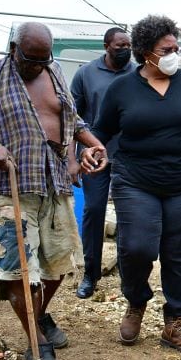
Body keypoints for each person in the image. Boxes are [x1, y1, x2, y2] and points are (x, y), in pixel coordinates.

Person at [0, 22, 108, 360]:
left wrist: (91, 143)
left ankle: (37, 313)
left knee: (57, 265)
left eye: (42, 58)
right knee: (18, 270)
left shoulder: (53, 73)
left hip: (54, 182)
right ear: (13, 48)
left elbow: (71, 119)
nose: (36, 65)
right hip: (9, 186)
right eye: (29, 58)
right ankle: (36, 339)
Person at [93, 15, 181, 355]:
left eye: (176, 48)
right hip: (135, 180)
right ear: (144, 51)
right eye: (166, 49)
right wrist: (89, 153)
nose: (173, 55)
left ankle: (175, 323)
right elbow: (101, 132)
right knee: (137, 247)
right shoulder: (121, 89)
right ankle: (136, 302)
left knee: (179, 254)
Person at [70, 27, 134, 298]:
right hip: (94, 154)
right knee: (94, 211)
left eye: (128, 45)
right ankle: (90, 273)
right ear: (106, 45)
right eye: (120, 45)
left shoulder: (137, 73)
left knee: (129, 215)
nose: (125, 50)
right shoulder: (86, 74)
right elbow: (71, 118)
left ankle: (128, 273)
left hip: (129, 154)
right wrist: (72, 159)